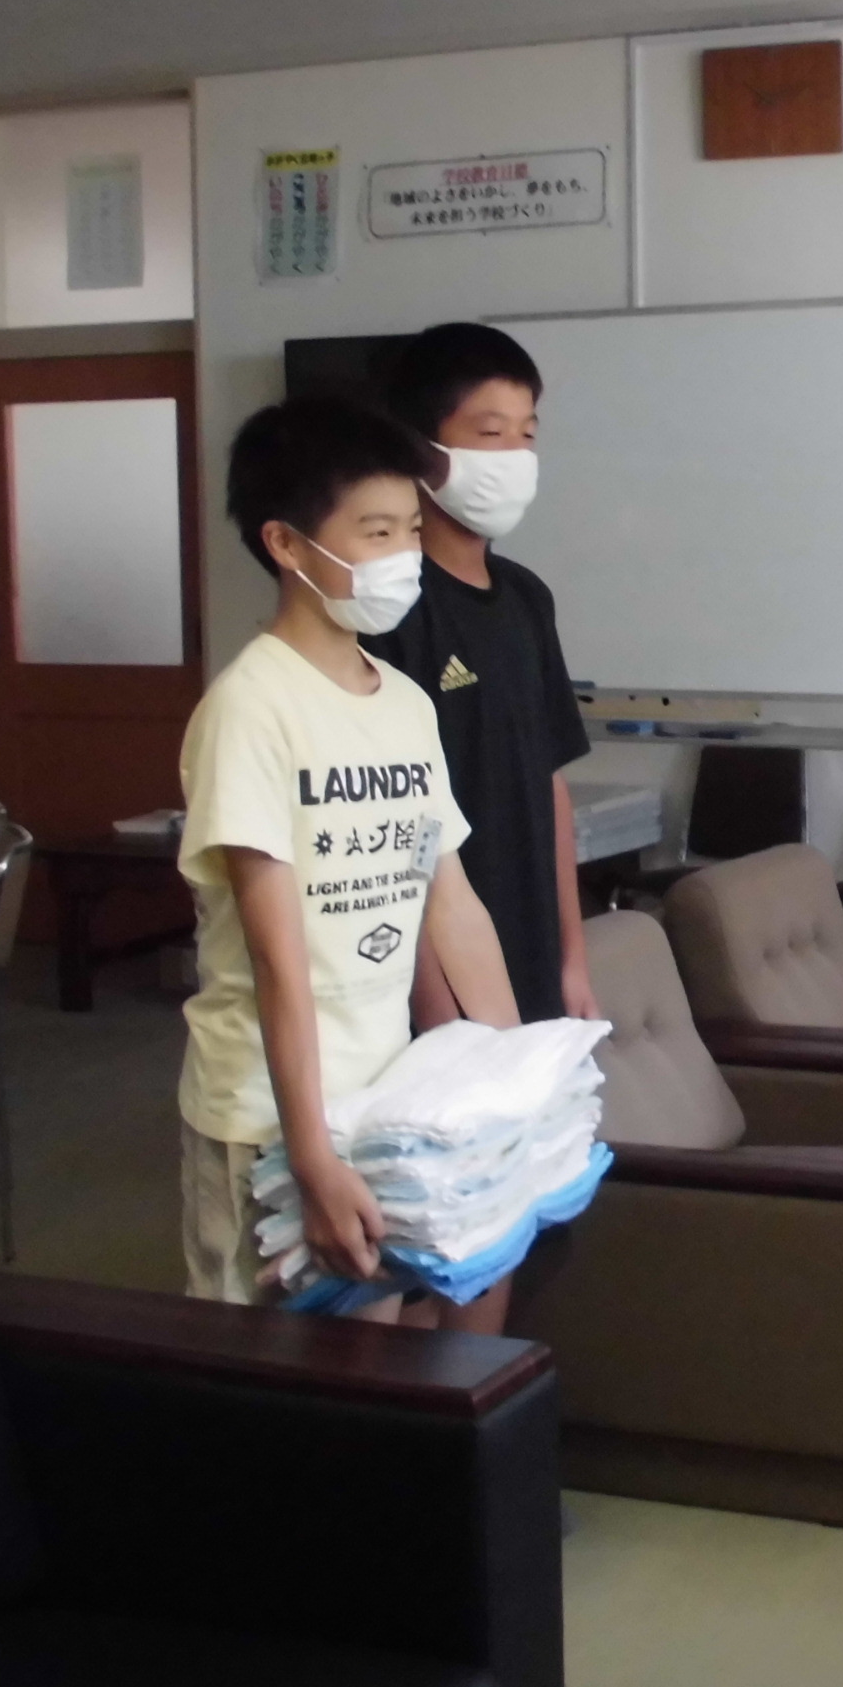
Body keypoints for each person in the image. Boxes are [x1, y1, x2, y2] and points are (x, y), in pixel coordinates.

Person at [177, 395, 521, 1327]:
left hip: (377, 1102)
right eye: (376, 532)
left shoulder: (405, 702)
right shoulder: (251, 708)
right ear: (287, 544)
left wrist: (515, 1085)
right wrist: (312, 1158)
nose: (404, 553)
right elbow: (277, 961)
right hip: (265, 1114)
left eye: (410, 528)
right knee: (264, 1375)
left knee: (368, 1366)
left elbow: (453, 905)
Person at [362, 323, 601, 1030]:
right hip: (442, 968)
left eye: (527, 435)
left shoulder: (526, 597)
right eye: (491, 434)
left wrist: (572, 957)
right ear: (419, 447)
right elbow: (391, 821)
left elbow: (550, 784)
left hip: (531, 951)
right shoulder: (387, 609)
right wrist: (433, 1001)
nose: (515, 458)